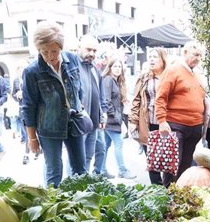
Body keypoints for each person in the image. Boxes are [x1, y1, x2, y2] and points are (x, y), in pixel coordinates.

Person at [21, 21, 86, 187]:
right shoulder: (31, 71)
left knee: (81, 170)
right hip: (48, 127)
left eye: (54, 51)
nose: (50, 56)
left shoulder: (72, 59)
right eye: (44, 52)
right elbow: (28, 107)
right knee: (54, 171)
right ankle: (54, 207)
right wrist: (32, 138)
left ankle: (81, 206)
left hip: (74, 121)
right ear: (38, 50)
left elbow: (79, 88)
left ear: (61, 47)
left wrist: (81, 106)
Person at [155, 41, 206, 187]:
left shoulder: (196, 74)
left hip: (195, 126)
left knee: (185, 167)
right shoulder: (173, 70)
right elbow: (160, 97)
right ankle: (168, 197)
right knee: (172, 166)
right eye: (195, 54)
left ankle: (180, 197)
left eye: (200, 56)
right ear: (185, 53)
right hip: (176, 125)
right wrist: (162, 121)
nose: (198, 58)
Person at [129, 47, 168, 185]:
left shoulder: (169, 77)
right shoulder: (143, 77)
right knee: (152, 159)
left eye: (155, 57)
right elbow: (136, 100)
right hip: (148, 122)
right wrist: (133, 120)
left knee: (167, 158)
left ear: (163, 60)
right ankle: (156, 189)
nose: (151, 59)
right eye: (150, 56)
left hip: (166, 123)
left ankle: (169, 189)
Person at [76, 34, 109, 177]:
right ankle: (72, 189)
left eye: (95, 51)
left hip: (93, 122)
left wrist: (102, 115)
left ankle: (82, 185)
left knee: (88, 156)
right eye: (88, 49)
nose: (92, 54)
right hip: (78, 122)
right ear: (79, 48)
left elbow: (99, 94)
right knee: (76, 159)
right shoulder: (72, 66)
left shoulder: (95, 68)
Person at [101, 58, 136, 179]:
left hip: (112, 119)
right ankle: (122, 170)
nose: (117, 69)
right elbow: (106, 100)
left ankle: (101, 170)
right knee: (119, 143)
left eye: (119, 66)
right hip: (111, 119)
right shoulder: (108, 80)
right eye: (115, 66)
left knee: (105, 145)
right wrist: (116, 117)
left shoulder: (116, 81)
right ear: (109, 68)